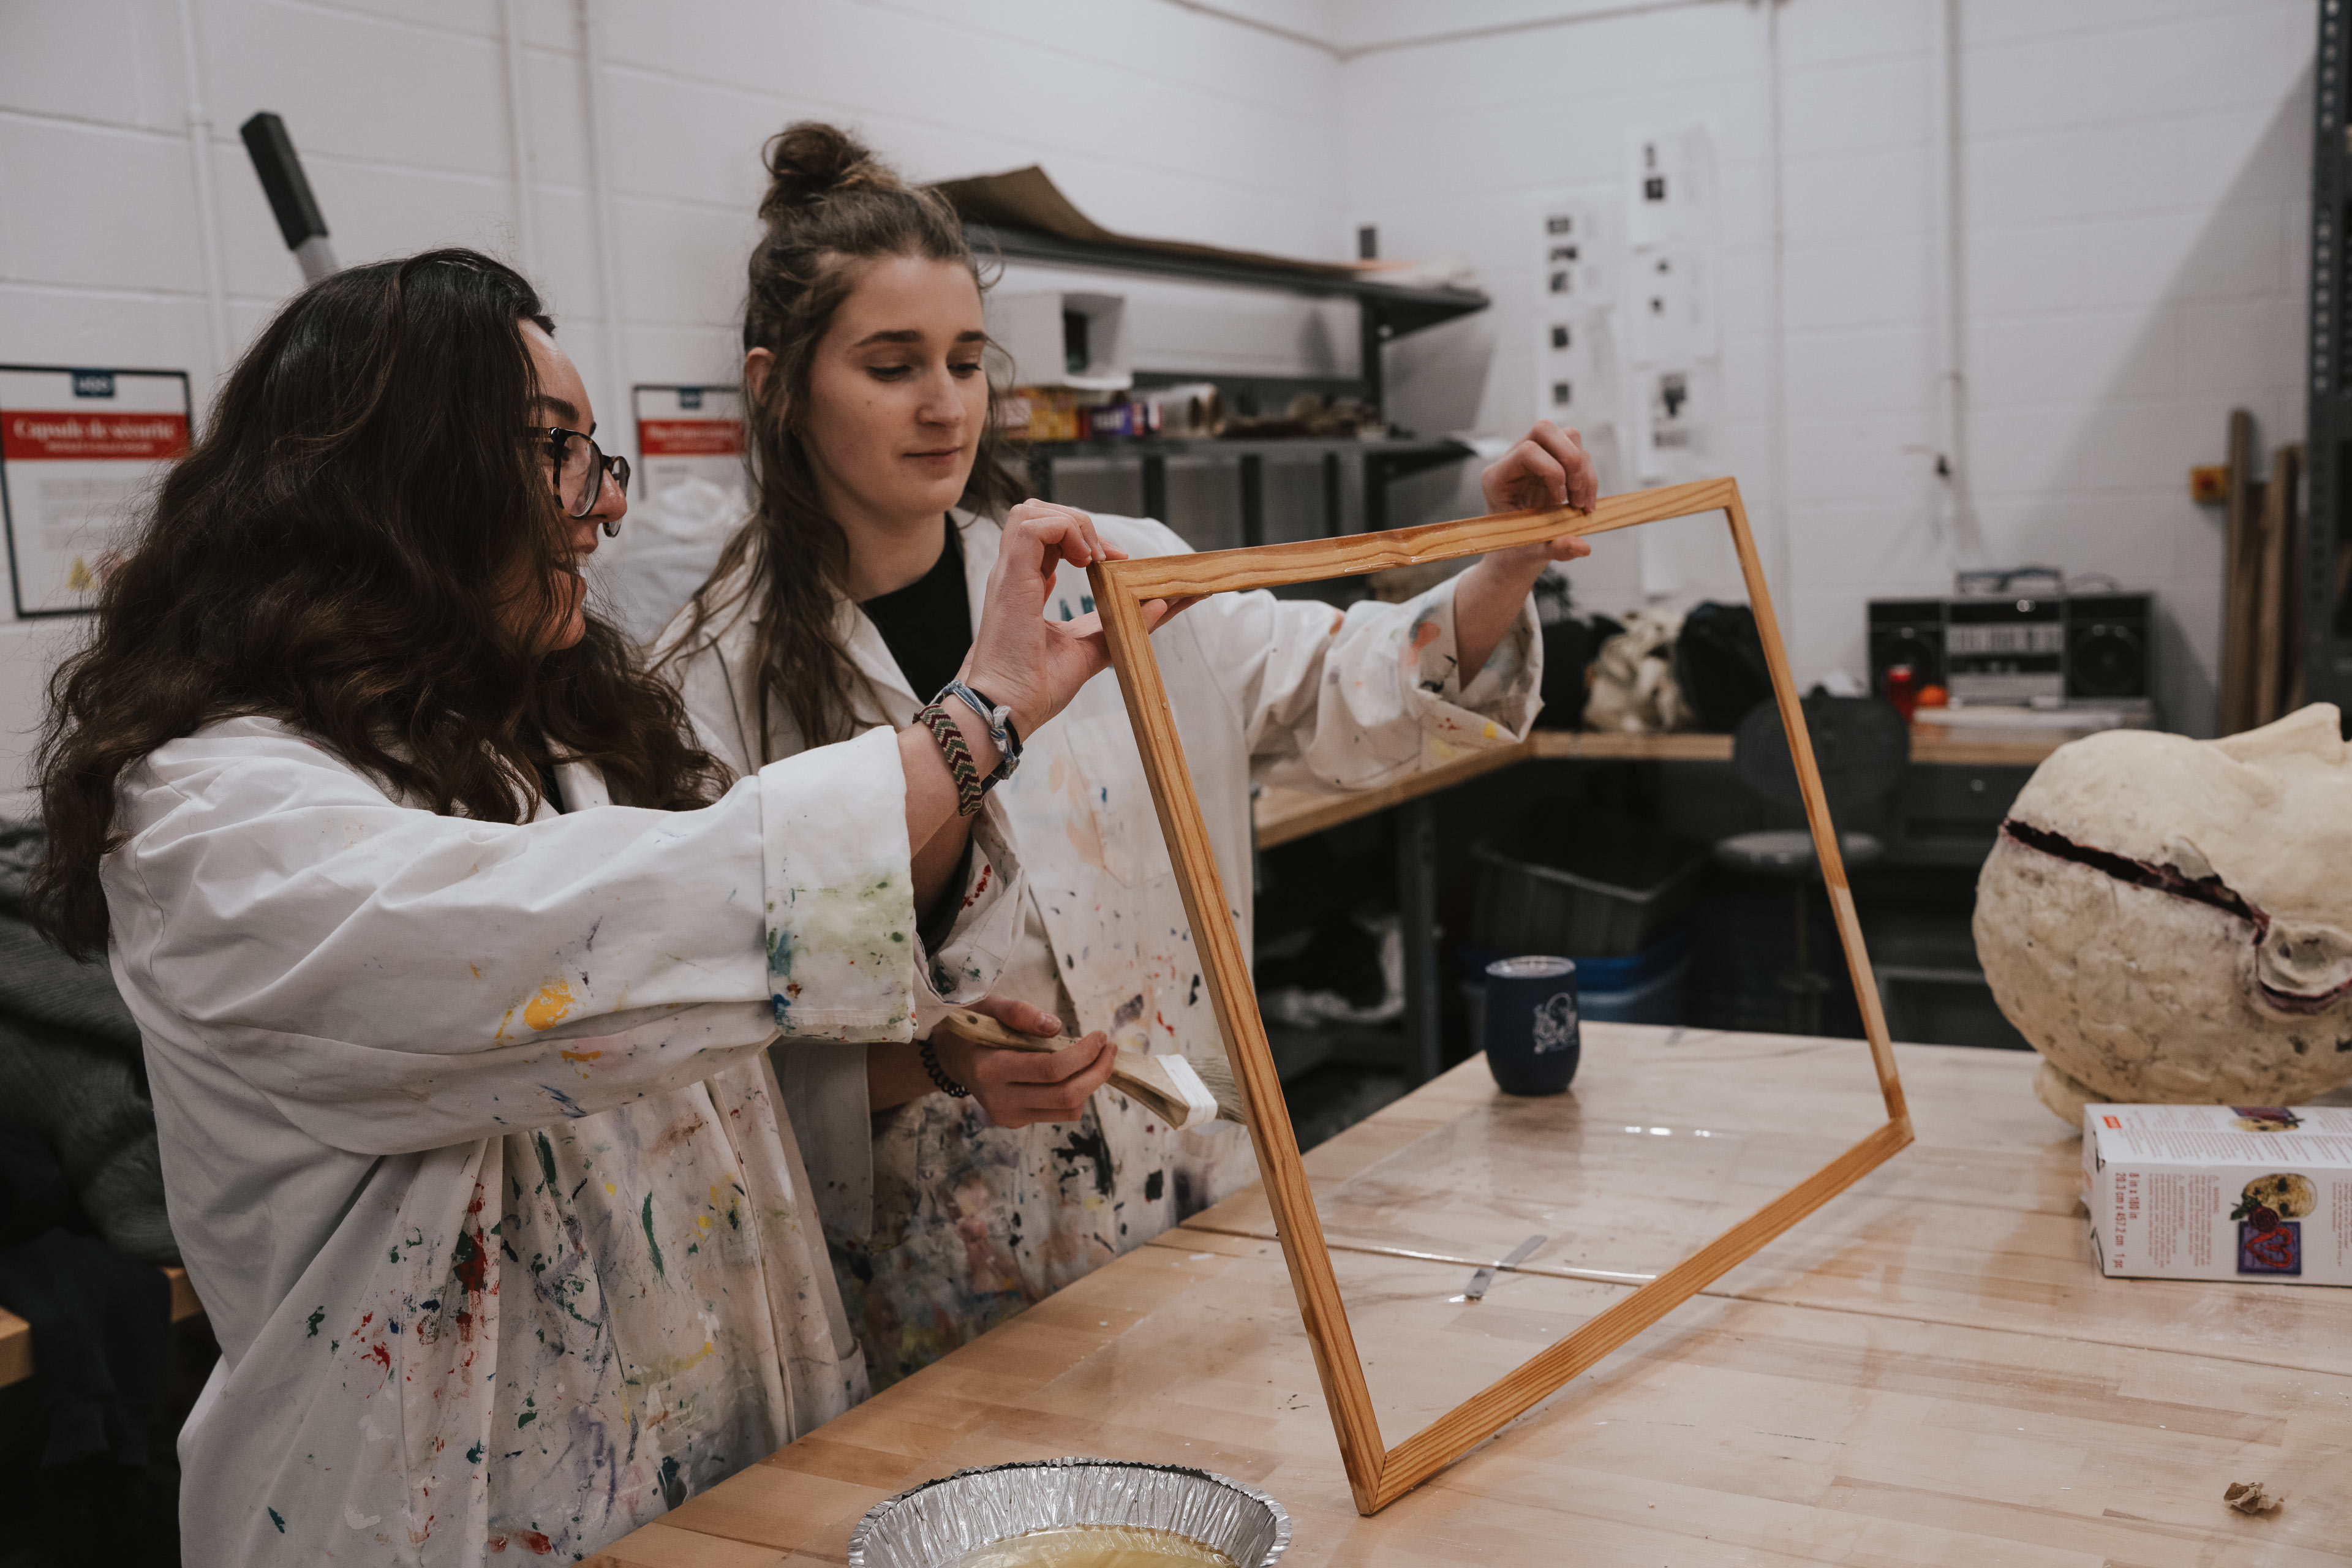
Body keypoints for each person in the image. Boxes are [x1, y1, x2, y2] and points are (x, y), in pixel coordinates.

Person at [25, 249, 1160, 1566]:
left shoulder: (546, 752)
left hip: (707, 1474)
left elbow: (657, 1097)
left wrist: (929, 1058)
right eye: (556, 449)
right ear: (400, 477)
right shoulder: (218, 816)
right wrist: (978, 715)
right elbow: (544, 964)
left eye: (595, 452)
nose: (601, 506)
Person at [656, 124, 1599, 1386]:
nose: (945, 403)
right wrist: (936, 1062)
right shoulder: (711, 680)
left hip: (1193, 1209)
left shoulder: (1118, 573)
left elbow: (1348, 680)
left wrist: (1505, 563)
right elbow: (716, 1057)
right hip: (930, 1284)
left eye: (964, 360)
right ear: (777, 383)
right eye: (891, 366)